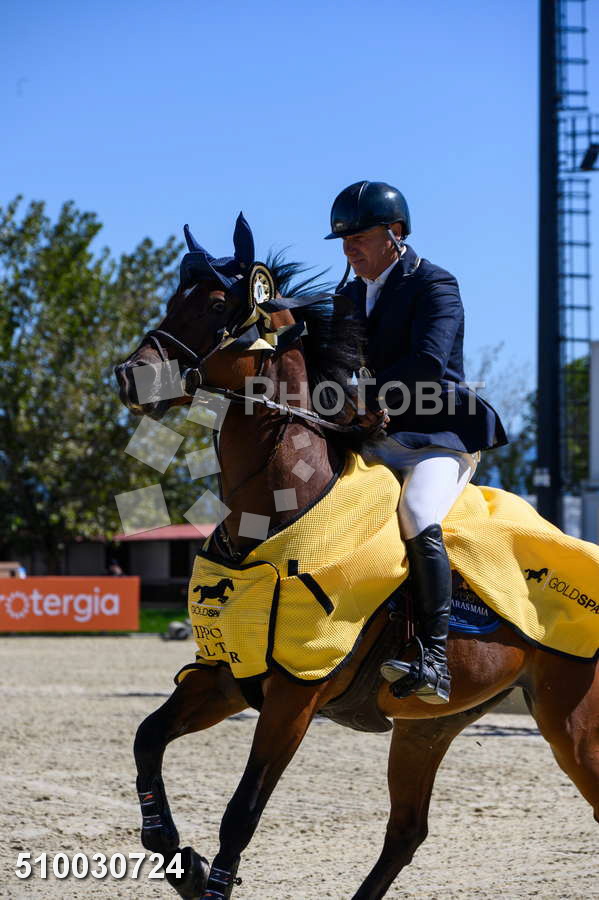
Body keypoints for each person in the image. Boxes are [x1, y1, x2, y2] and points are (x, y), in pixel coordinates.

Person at [326, 180, 507, 703]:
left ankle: (434, 658)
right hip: (377, 434)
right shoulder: (348, 296)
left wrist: (362, 394)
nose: (350, 249)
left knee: (416, 512)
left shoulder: (435, 283)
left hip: (438, 436)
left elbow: (427, 363)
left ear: (395, 232)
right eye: (344, 240)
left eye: (360, 237)